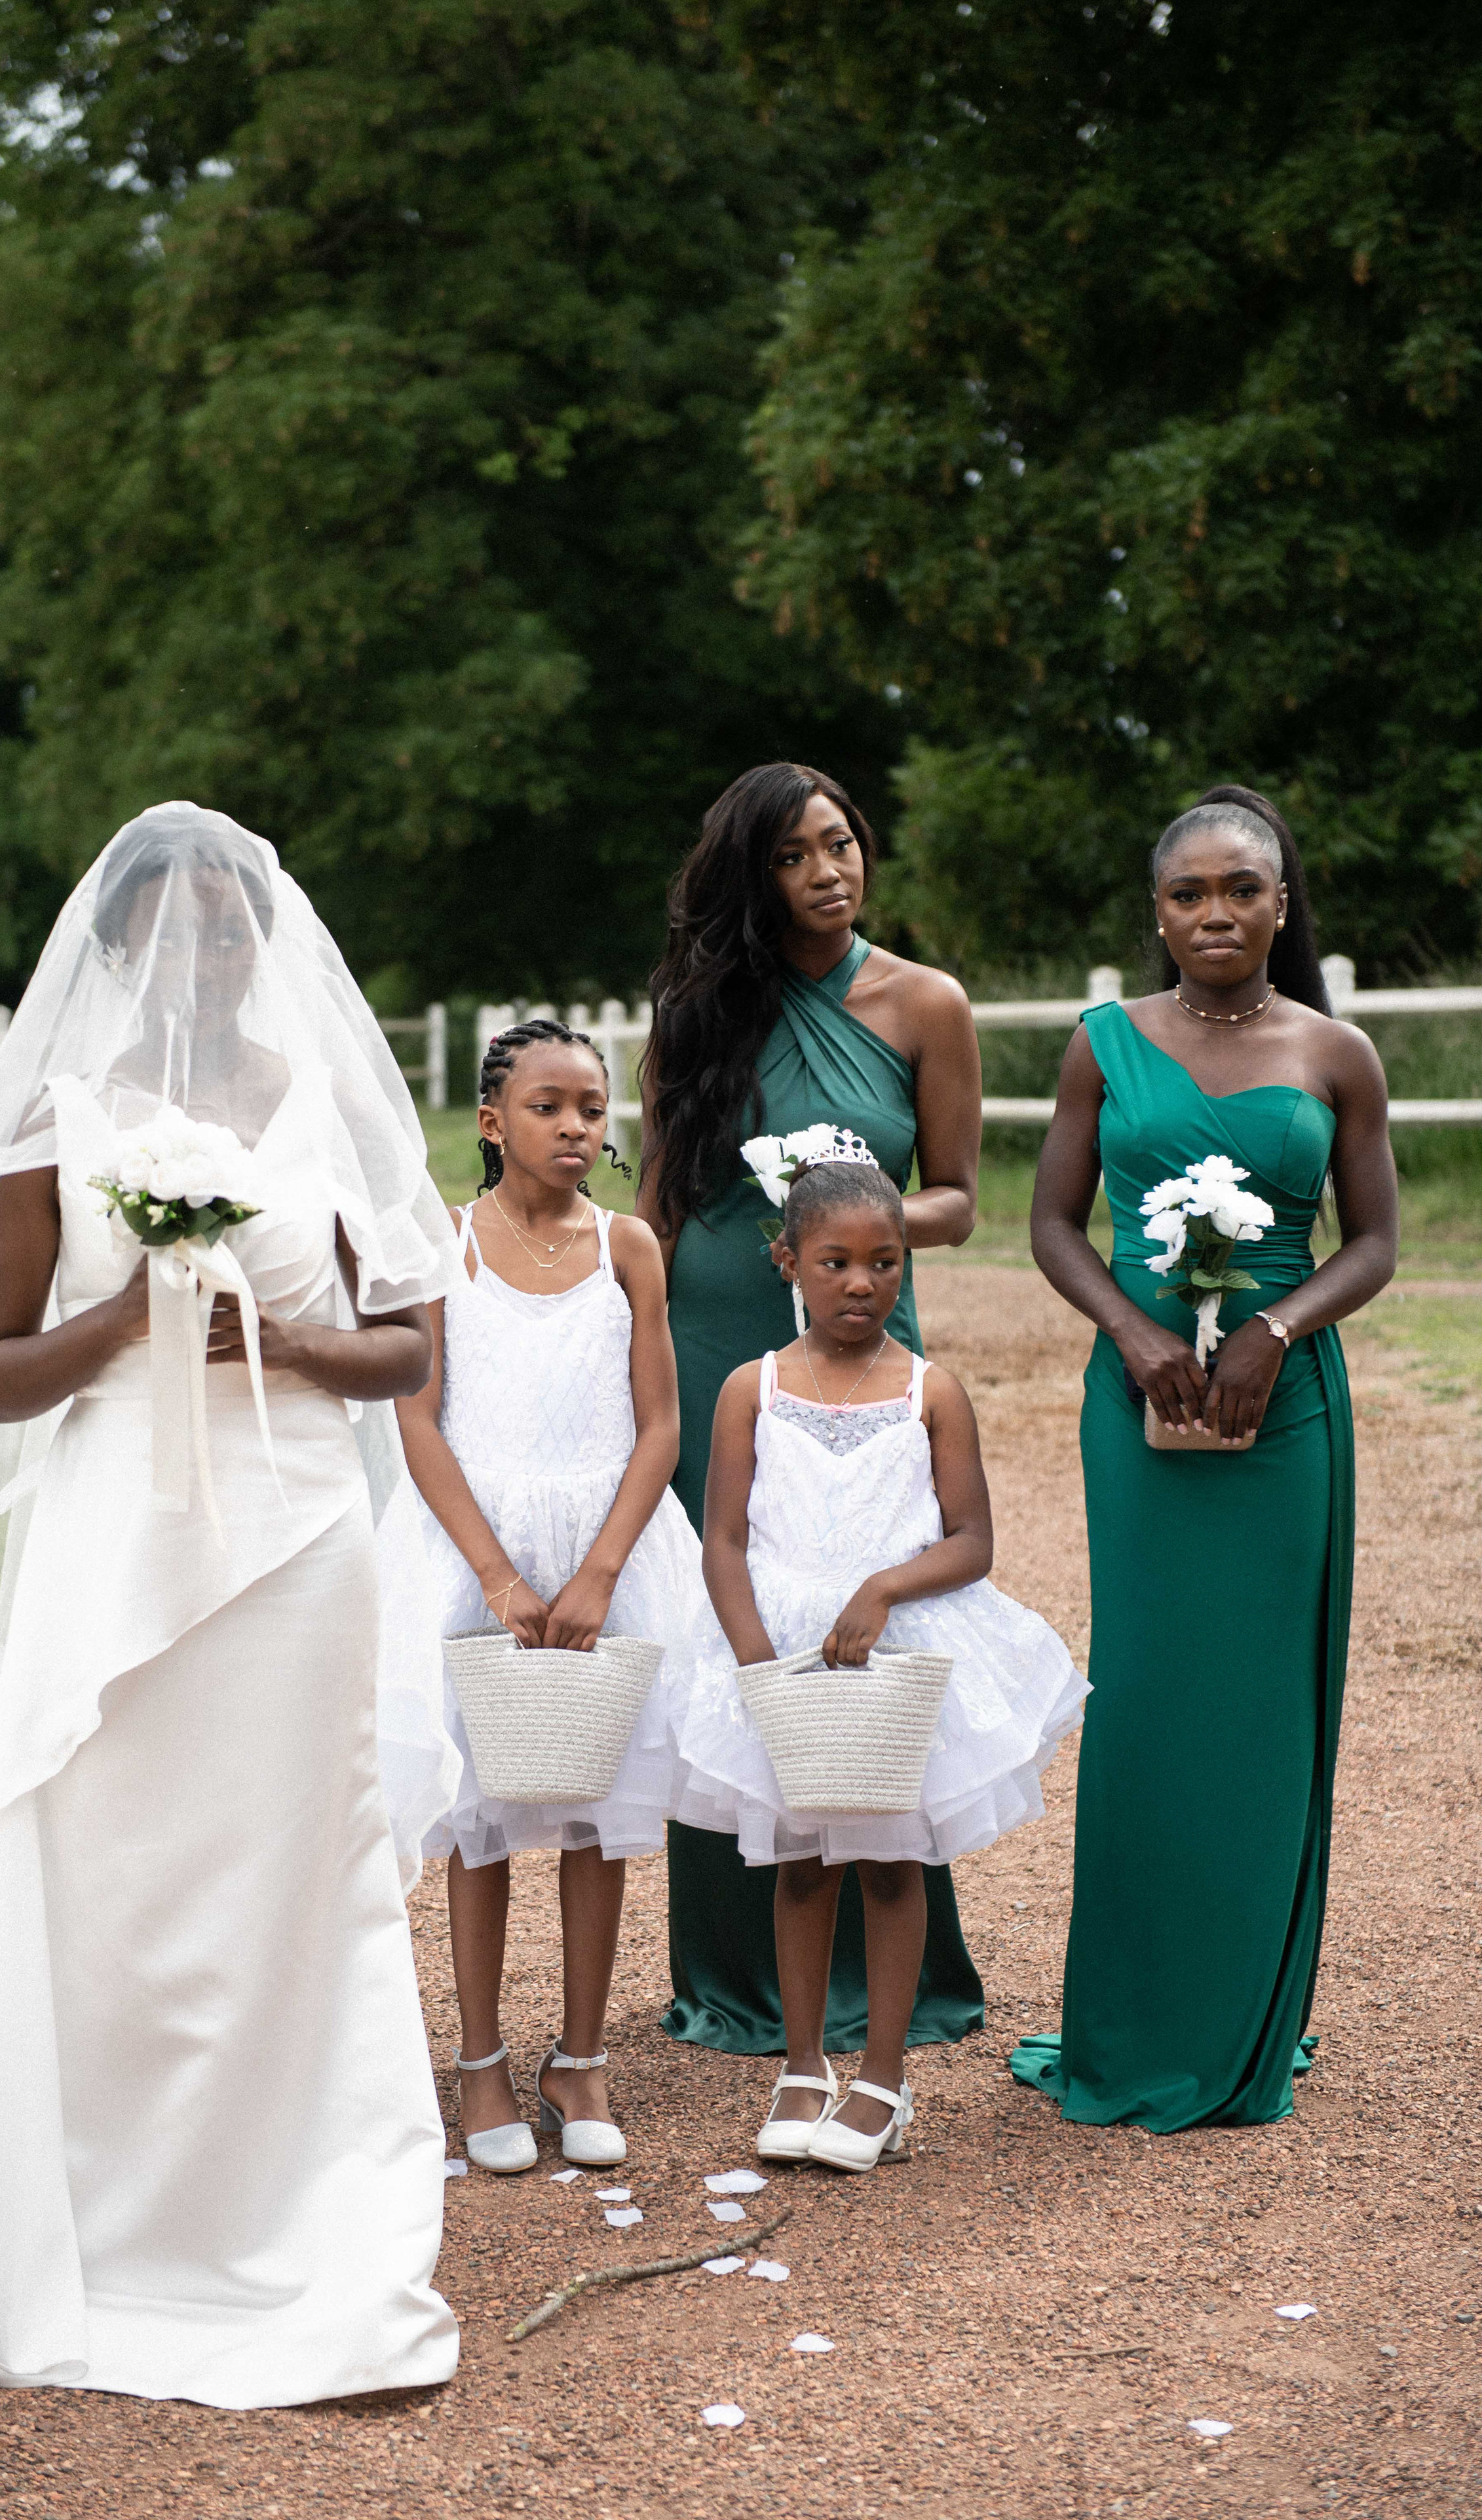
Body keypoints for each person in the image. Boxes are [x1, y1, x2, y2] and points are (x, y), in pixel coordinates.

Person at [0, 804, 465, 2403]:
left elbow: (405, 1350)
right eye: (167, 927)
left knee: (290, 1860)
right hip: (118, 1530)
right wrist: (125, 1316)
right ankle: (87, 2188)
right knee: (111, 1859)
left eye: (228, 924)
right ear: (114, 947)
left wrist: (286, 1351)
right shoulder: (56, 1114)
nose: (201, 950)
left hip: (297, 1527)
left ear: (265, 938)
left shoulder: (323, 1101)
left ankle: (292, 2199)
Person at [1012, 784, 1397, 2130]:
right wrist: (1128, 1327)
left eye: (1241, 888)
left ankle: (1243, 2019)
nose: (1214, 913)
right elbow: (1052, 1224)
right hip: (1136, 1410)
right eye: (1187, 893)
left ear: (1281, 901)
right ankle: (1132, 2013)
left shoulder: (1333, 1052)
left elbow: (1373, 1243)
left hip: (1282, 1414)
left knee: (1260, 1709)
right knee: (1149, 1700)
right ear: (1155, 913)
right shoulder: (1100, 1044)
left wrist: (1274, 1328)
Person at [637, 760, 988, 2054]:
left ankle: (890, 1964)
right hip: (714, 1336)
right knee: (731, 1616)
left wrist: (856, 1209)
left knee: (865, 1605)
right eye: (792, 856)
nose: (827, 871)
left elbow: (955, 1193)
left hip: (860, 1341)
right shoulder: (695, 1012)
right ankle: (735, 1972)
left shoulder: (923, 1003)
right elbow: (657, 1208)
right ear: (754, 879)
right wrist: (636, 1366)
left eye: (839, 843)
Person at [678, 1148, 1085, 2168]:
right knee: (804, 1865)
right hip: (783, 1652)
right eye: (835, 1263)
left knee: (895, 1864)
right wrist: (758, 1663)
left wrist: (883, 1590)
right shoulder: (750, 1389)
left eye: (885, 1263)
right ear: (788, 1263)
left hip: (895, 1652)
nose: (861, 1284)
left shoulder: (929, 1392)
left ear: (906, 1266)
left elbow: (971, 1540)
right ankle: (804, 2064)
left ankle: (886, 2078)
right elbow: (722, 1539)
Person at [395, 1020, 701, 2173]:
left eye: (591, 1108)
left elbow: (661, 1423)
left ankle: (580, 2058)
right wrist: (498, 1574)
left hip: (604, 1549)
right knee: (481, 1814)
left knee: (595, 1805)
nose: (577, 1127)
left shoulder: (630, 1247)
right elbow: (418, 1417)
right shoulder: (445, 1244)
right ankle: (479, 2062)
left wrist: (600, 1571)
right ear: (491, 1122)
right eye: (548, 1107)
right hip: (477, 1549)